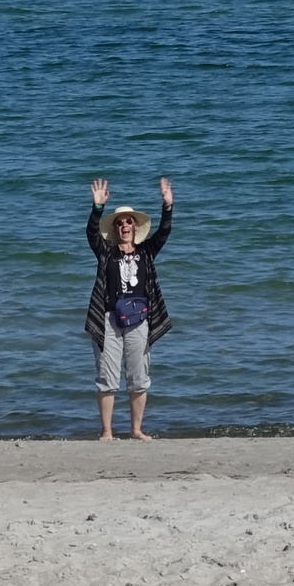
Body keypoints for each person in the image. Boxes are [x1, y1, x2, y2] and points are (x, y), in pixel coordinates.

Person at [85, 177, 175, 441]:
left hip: (139, 319)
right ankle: (107, 432)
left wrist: (167, 207)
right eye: (120, 222)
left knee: (138, 376)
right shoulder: (106, 252)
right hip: (109, 319)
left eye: (128, 221)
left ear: (135, 226)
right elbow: (91, 233)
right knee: (107, 376)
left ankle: (136, 430)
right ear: (115, 229)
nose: (124, 225)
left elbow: (164, 233)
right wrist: (97, 208)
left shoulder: (146, 251)